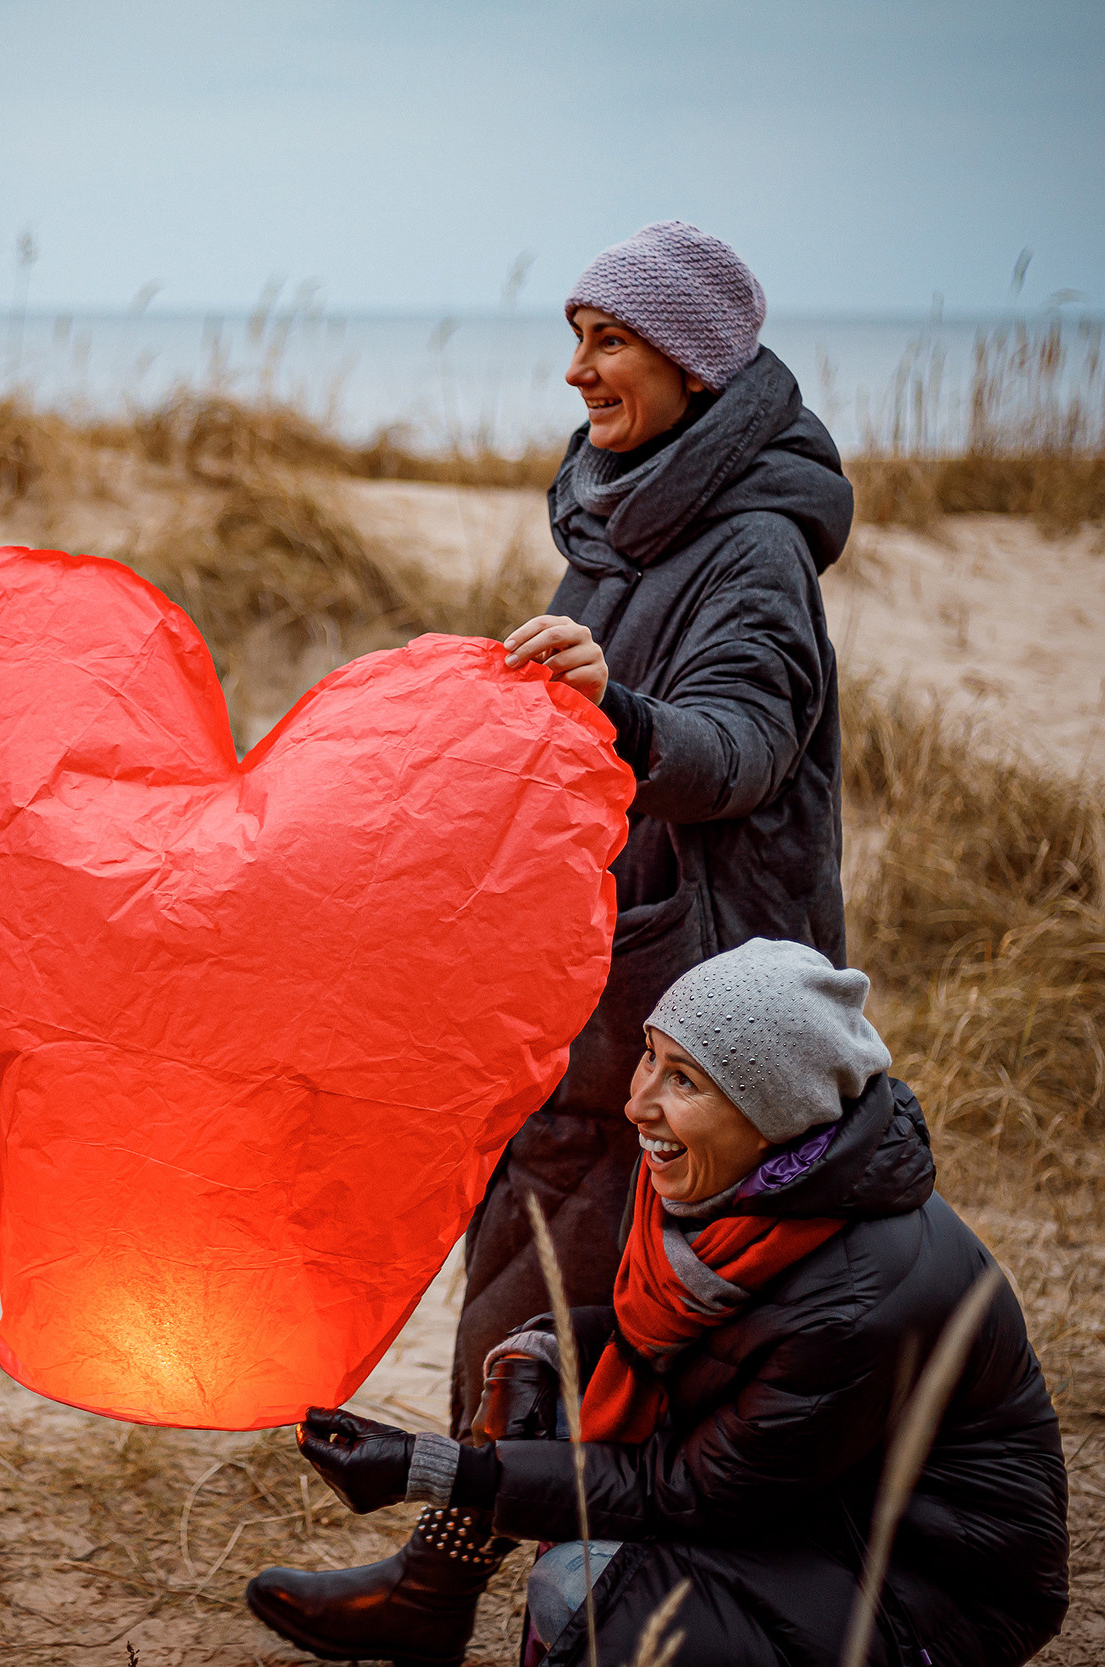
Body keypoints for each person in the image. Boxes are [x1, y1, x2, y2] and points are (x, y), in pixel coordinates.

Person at [306, 220, 858, 1624]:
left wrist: (620, 711)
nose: (579, 370)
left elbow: (737, 742)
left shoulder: (750, 548)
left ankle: (580, 1594)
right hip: (595, 969)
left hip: (702, 995)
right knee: (536, 1262)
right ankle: (454, 1575)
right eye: (577, 334)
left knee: (624, 1296)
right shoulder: (630, 511)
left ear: (694, 361)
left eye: (609, 339)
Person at [248, 940, 1070, 1667]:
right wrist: (554, 1353)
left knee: (588, 1597)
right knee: (545, 1361)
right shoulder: (735, 1189)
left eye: (684, 1080)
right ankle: (428, 1596)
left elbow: (687, 1491)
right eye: (650, 1057)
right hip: (815, 1503)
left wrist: (431, 1470)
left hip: (921, 1584)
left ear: (770, 1113)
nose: (638, 1103)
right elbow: (697, 1358)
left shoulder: (855, 1297)